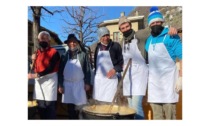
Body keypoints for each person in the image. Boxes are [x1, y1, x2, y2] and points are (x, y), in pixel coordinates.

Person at [118, 14, 178, 119]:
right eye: (123, 28)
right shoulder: (122, 42)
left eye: (127, 26)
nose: (125, 29)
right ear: (120, 30)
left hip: (140, 74)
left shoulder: (141, 34)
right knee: (130, 107)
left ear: (130, 25)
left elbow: (157, 29)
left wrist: (170, 28)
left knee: (136, 106)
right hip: (128, 77)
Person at [145, 6, 182, 120]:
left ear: (162, 22)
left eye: (158, 22)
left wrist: (181, 76)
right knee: (157, 117)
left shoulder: (171, 36)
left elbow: (183, 57)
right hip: (154, 86)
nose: (156, 24)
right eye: (153, 23)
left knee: (170, 117)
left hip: (168, 85)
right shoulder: (148, 41)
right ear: (150, 25)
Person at [28, 31, 60, 119]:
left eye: (46, 39)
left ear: (49, 41)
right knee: (41, 108)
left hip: (50, 83)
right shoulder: (36, 53)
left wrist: (36, 75)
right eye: (42, 38)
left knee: (49, 109)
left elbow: (50, 68)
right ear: (38, 40)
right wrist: (32, 60)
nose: (44, 40)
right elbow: (34, 67)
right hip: (39, 84)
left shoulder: (54, 52)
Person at [58, 34, 91, 119]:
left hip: (79, 84)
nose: (72, 43)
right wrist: (60, 85)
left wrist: (87, 83)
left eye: (74, 42)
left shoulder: (83, 54)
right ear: (68, 44)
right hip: (67, 85)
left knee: (81, 108)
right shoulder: (64, 56)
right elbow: (60, 72)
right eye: (70, 42)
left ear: (77, 43)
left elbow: (87, 70)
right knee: (70, 108)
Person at [93, 27, 123, 104]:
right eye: (103, 36)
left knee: (111, 104)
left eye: (107, 35)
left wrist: (115, 69)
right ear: (99, 37)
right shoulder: (97, 48)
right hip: (99, 81)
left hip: (111, 81)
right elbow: (96, 65)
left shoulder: (115, 46)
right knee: (99, 104)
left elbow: (121, 62)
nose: (106, 38)